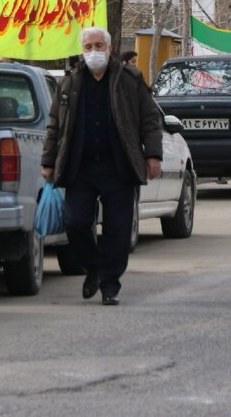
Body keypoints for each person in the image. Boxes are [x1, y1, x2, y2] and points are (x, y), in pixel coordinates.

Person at [42, 27, 163, 305]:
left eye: (98, 46)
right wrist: (48, 162)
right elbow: (54, 126)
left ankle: (110, 285)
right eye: (88, 47)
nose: (93, 51)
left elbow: (150, 120)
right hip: (79, 168)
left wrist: (152, 155)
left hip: (118, 167)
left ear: (109, 49)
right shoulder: (70, 82)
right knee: (76, 224)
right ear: (82, 51)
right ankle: (94, 267)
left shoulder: (130, 80)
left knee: (117, 230)